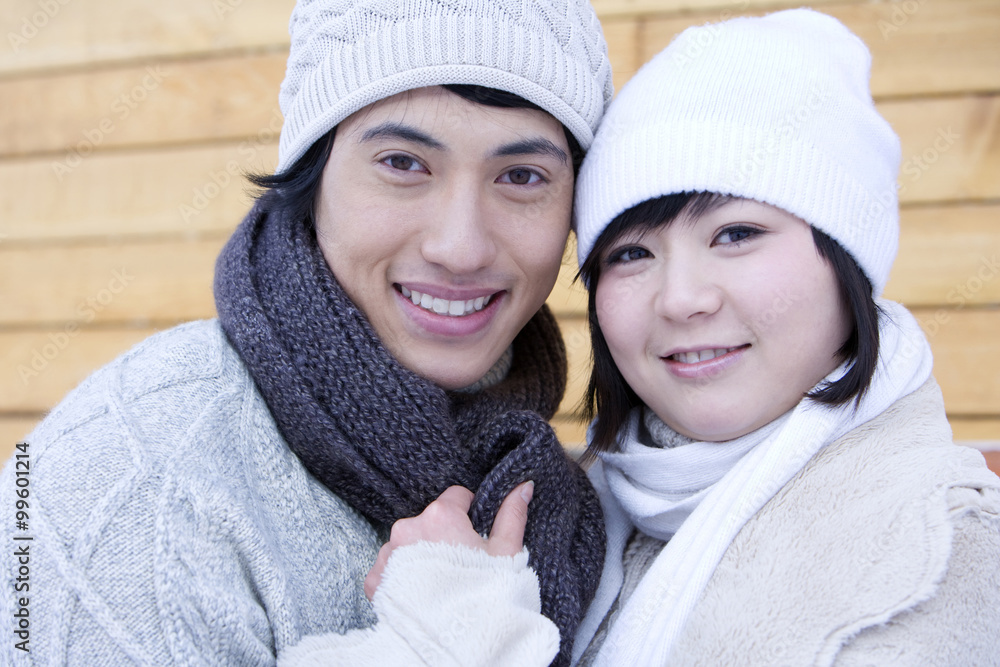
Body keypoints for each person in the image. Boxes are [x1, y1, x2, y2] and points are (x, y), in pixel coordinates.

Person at [0, 1, 613, 664]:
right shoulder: (141, 478)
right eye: (403, 163)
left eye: (521, 176)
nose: (460, 246)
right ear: (312, 172)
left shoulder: (561, 483)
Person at [569, 9, 1000, 665]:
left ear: (846, 263)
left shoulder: (945, 547)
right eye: (630, 254)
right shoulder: (559, 516)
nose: (682, 297)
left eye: (736, 234)